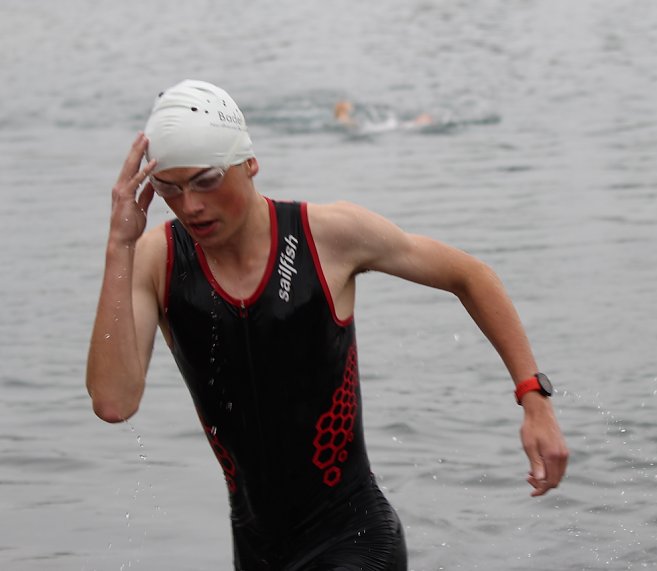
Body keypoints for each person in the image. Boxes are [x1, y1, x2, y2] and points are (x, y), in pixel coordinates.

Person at [86, 80, 568, 570]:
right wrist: (118, 246)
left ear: (249, 164)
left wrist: (534, 397)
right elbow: (114, 401)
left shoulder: (327, 235)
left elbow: (469, 275)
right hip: (257, 553)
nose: (190, 205)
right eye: (170, 187)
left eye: (207, 180)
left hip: (354, 539)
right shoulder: (155, 260)